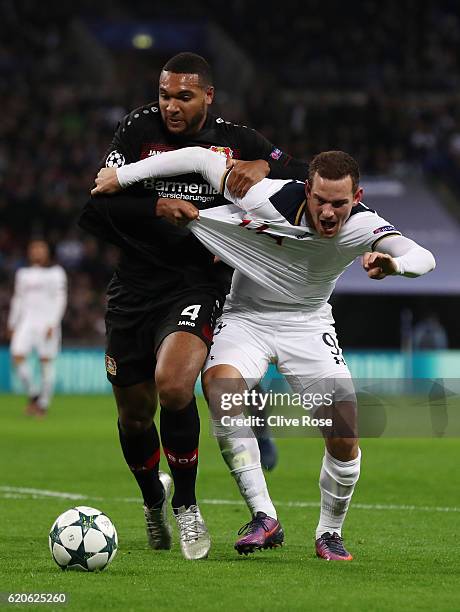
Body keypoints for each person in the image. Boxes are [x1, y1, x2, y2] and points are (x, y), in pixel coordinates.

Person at [91, 145, 435, 560]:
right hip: (245, 317)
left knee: (344, 436)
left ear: (357, 198)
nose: (328, 213)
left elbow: (423, 256)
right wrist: (123, 176)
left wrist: (394, 266)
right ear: (306, 189)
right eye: (320, 200)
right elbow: (201, 158)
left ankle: (330, 532)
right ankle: (263, 516)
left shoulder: (364, 227)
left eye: (339, 204)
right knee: (220, 389)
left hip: (308, 325)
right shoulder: (263, 195)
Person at [79, 52, 306, 560]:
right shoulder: (138, 129)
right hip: (133, 289)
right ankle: (152, 500)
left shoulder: (235, 139)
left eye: (183, 96)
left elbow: (301, 173)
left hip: (194, 286)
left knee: (175, 385)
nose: (171, 105)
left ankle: (186, 507)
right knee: (136, 416)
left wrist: (261, 163)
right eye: (165, 95)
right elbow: (98, 203)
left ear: (208, 96)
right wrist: (157, 205)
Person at [7, 239, 67, 417]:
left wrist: (54, 323)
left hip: (47, 323)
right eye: (34, 249)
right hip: (26, 322)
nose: (37, 252)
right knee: (16, 355)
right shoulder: (23, 274)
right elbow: (18, 299)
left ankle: (43, 404)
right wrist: (12, 323)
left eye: (40, 248)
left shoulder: (56, 273)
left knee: (45, 363)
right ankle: (34, 393)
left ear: (47, 252)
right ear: (29, 252)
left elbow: (60, 299)